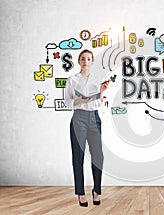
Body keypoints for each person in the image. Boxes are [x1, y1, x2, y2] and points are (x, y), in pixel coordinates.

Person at [65, 49, 110, 207]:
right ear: (79, 61)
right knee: (78, 157)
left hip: (94, 119)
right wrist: (81, 100)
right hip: (79, 119)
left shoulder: (97, 80)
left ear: (92, 62)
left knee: (98, 157)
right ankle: (81, 193)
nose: (86, 61)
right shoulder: (72, 80)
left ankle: (96, 190)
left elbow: (98, 102)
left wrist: (102, 92)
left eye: (89, 59)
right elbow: (67, 102)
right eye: (83, 58)